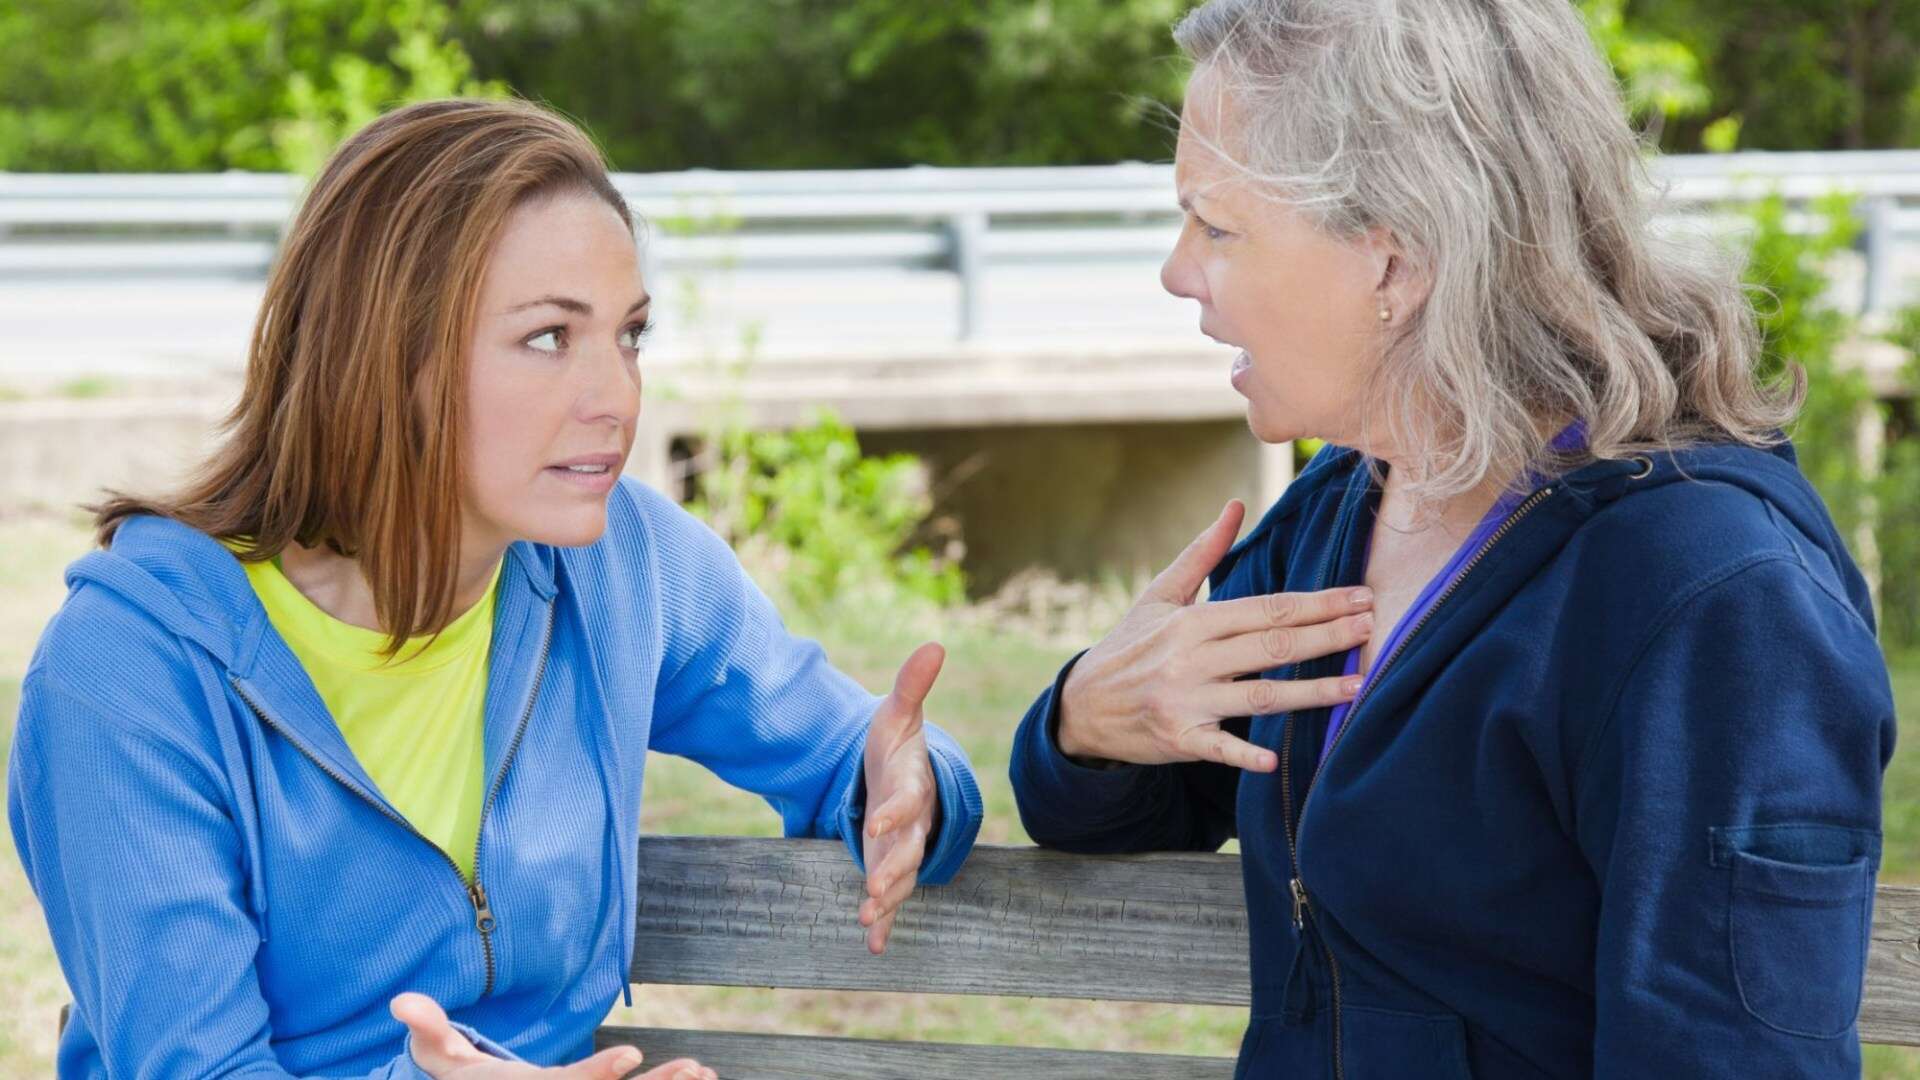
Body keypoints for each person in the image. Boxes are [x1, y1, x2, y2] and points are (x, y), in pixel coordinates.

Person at [7, 98, 983, 1079]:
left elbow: (844, 749)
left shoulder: (622, 568)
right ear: (390, 356)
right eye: (551, 338)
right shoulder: (131, 670)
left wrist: (911, 789)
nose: (615, 397)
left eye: (630, 336)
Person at [1009, 1, 1896, 1076]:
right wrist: (1087, 720)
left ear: (1397, 258)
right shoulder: (1341, 509)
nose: (1177, 272)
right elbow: (1147, 808)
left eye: (1219, 226)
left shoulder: (1715, 599)